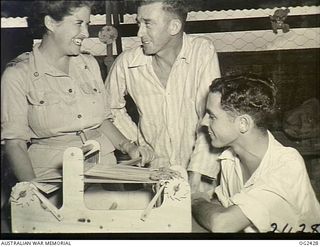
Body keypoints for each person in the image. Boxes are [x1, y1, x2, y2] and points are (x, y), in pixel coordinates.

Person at [1, 0, 154, 183]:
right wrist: (32, 191)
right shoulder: (18, 74)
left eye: (87, 24)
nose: (86, 33)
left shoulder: (89, 65)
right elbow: (15, 143)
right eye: (78, 23)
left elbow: (102, 120)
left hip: (103, 168)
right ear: (51, 23)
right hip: (51, 177)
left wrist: (129, 147)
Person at [105, 0, 221, 192]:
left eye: (148, 24)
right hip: (153, 174)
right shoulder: (127, 63)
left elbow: (211, 116)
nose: (139, 33)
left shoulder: (201, 51)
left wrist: (198, 174)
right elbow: (109, 108)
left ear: (174, 26)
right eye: (138, 24)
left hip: (199, 173)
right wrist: (136, 143)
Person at [192, 74, 320, 233]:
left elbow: (222, 224)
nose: (203, 122)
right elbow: (224, 206)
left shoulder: (287, 165)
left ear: (243, 124)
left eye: (212, 116)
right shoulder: (229, 158)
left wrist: (195, 199)